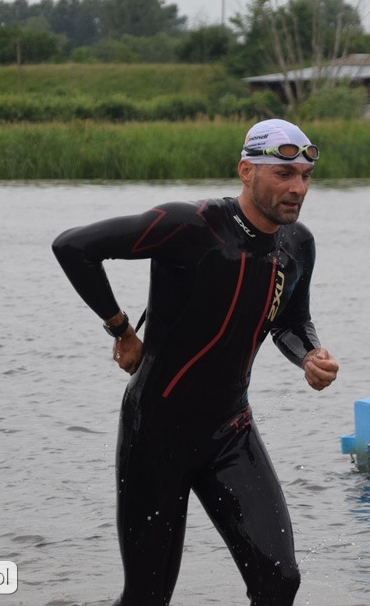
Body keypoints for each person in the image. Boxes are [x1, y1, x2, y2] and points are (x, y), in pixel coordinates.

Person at [52, 118, 339, 605]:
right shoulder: (190, 226)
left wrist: (309, 354)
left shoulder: (297, 245)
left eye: (305, 178)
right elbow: (74, 247)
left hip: (230, 433)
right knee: (147, 597)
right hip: (155, 436)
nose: (297, 189)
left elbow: (290, 319)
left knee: (279, 580)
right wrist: (121, 329)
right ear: (246, 171)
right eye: (283, 175)